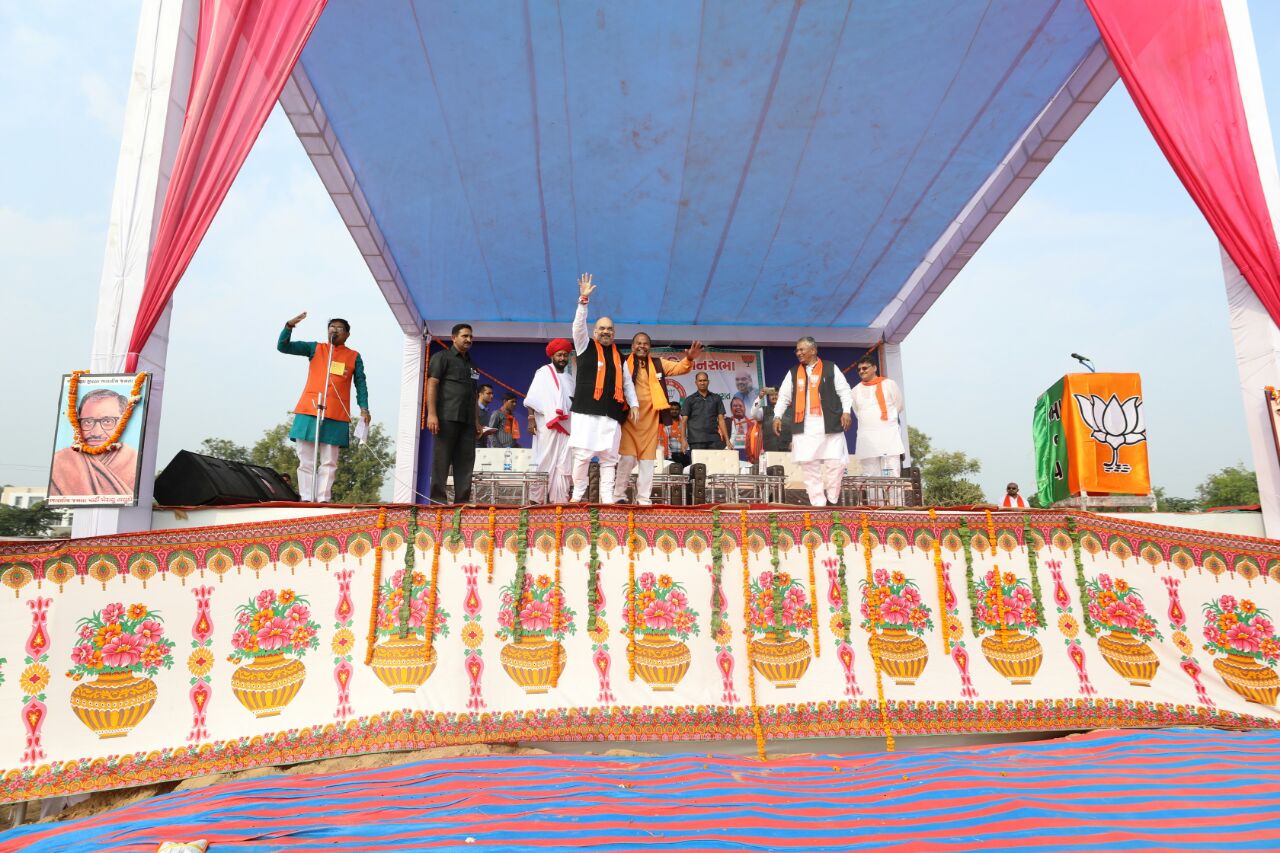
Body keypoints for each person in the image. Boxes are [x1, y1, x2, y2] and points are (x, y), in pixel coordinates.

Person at [277, 312, 370, 502]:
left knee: (329, 460)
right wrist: (288, 326)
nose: (334, 330)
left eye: (339, 328)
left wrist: (364, 408)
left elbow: (360, 383)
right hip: (309, 409)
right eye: (331, 327)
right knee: (305, 458)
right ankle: (305, 497)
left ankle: (323, 498)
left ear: (347, 334)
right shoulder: (315, 348)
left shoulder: (353, 356)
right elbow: (283, 347)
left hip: (336, 413)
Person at [614, 332, 699, 504]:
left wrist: (688, 359)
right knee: (627, 459)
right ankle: (618, 496)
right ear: (632, 346)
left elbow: (679, 368)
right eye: (638, 343)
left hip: (650, 420)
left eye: (645, 343)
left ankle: (643, 498)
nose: (641, 346)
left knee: (647, 462)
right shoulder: (622, 362)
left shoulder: (658, 364)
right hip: (629, 421)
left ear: (649, 347)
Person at [773, 336, 853, 507]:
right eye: (797, 350)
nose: (798, 353)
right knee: (810, 468)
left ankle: (832, 499)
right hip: (805, 425)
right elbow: (784, 397)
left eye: (802, 349)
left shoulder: (831, 368)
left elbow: (845, 391)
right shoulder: (793, 372)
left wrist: (846, 411)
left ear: (813, 350)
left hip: (829, 422)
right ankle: (818, 504)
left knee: (836, 464)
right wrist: (777, 415)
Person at [49, 389, 139, 498]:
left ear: (122, 422)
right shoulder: (61, 461)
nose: (96, 433)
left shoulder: (135, 460)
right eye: (87, 422)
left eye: (107, 421)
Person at [427, 323, 480, 503]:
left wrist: (477, 421)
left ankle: (462, 503)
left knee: (466, 463)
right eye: (465, 336)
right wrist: (432, 414)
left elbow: (473, 395)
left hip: (467, 422)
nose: (469, 340)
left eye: (471, 337)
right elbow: (432, 384)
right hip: (446, 417)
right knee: (441, 461)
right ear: (454, 338)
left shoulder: (472, 365)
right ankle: (437, 502)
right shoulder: (442, 357)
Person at [525, 338, 575, 503]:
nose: (562, 358)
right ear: (552, 356)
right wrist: (531, 418)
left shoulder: (570, 378)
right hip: (547, 425)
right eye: (559, 355)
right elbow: (532, 398)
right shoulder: (543, 373)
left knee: (563, 463)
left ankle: (559, 501)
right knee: (544, 461)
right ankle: (535, 500)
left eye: (565, 355)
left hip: (567, 427)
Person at [851, 356, 905, 476]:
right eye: (859, 369)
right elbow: (857, 412)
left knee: (892, 472)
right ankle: (874, 496)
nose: (861, 371)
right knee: (870, 475)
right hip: (867, 436)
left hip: (888, 434)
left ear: (874, 368)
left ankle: (892, 496)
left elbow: (899, 405)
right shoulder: (855, 391)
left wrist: (889, 419)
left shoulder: (889, 384)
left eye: (865, 368)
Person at [680, 372, 729, 453]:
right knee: (698, 465)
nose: (702, 383)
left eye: (704, 380)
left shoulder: (716, 398)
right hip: (696, 440)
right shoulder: (690, 399)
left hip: (714, 440)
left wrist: (727, 440)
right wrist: (683, 440)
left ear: (708, 382)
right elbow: (683, 421)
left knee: (715, 465)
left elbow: (721, 420)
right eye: (700, 381)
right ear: (696, 382)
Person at [747, 386, 791, 465]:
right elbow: (753, 414)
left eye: (776, 394)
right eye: (771, 395)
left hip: (788, 450)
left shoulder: (790, 410)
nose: (774, 397)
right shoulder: (764, 410)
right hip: (770, 451)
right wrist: (759, 397)